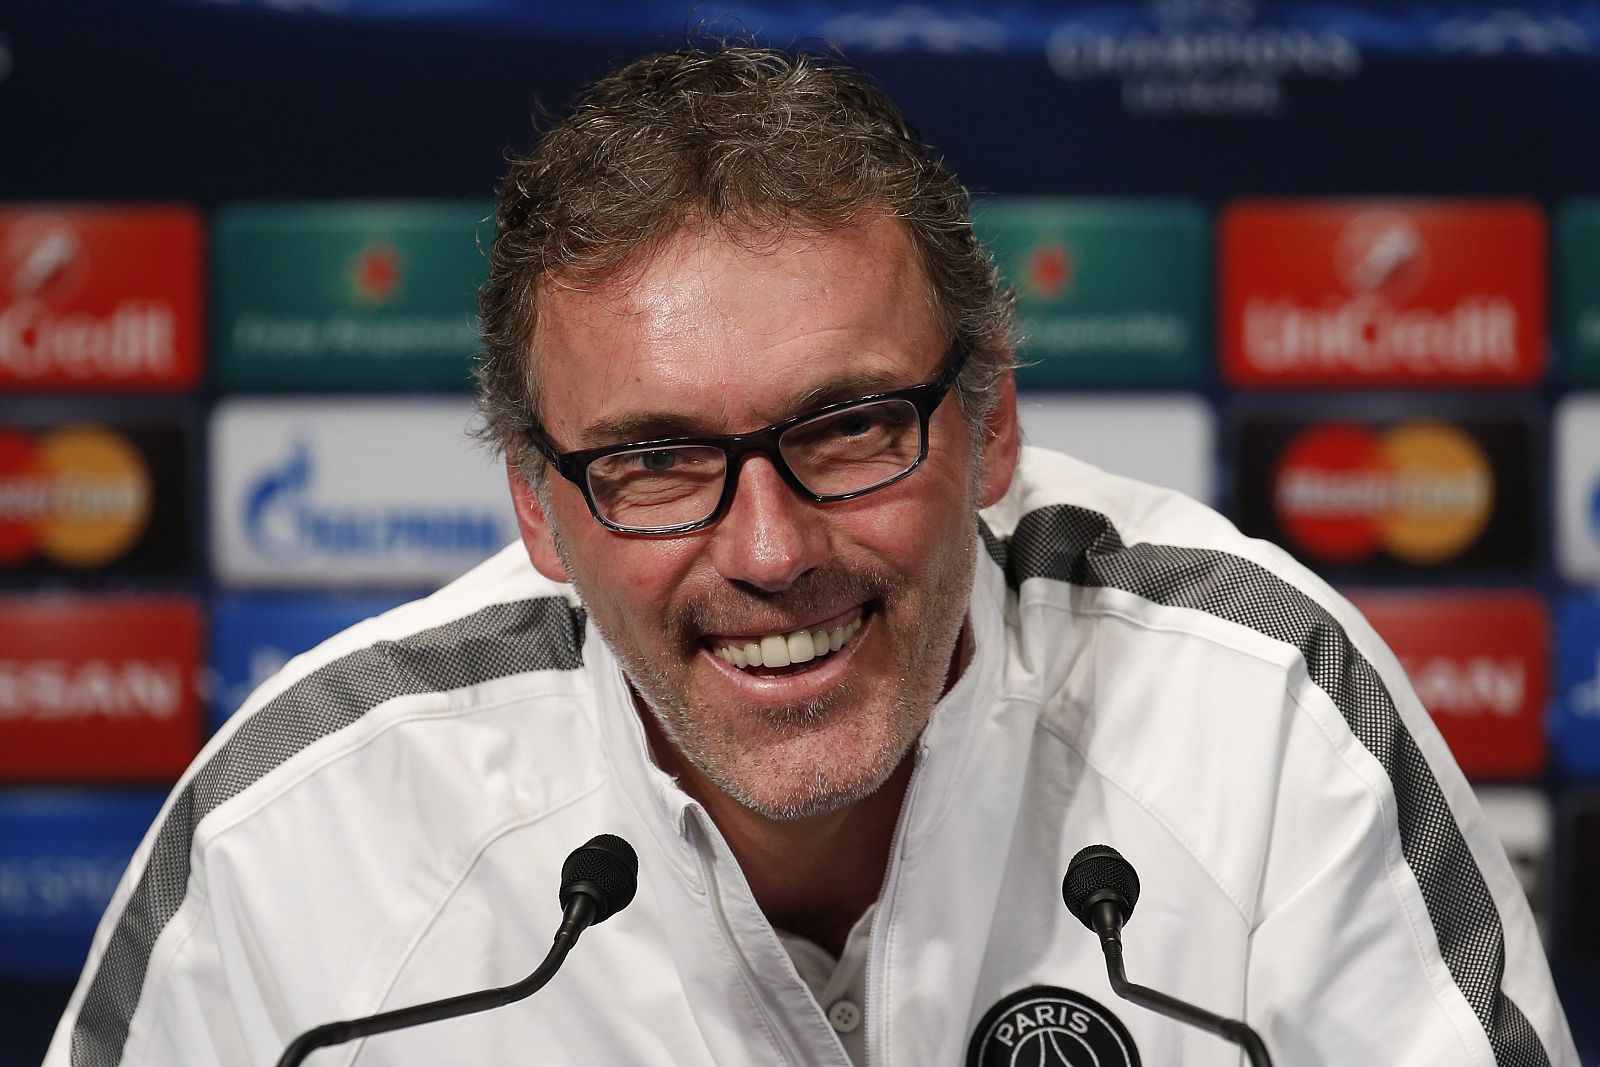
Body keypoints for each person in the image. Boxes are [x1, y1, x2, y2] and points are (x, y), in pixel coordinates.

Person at [49, 45, 1576, 1067]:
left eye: (848, 428)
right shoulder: (294, 845)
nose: (770, 549)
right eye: (655, 461)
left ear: (990, 427)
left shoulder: (1267, 717)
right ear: (540, 512)